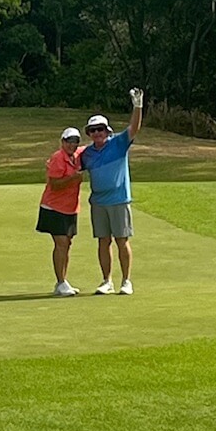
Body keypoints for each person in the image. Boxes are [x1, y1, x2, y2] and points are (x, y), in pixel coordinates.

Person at [80, 88, 143, 295]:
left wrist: (137, 106)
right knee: (103, 241)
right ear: (89, 134)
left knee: (122, 240)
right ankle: (106, 281)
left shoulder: (118, 143)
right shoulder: (87, 154)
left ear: (108, 131)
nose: (97, 133)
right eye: (93, 130)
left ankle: (126, 281)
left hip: (118, 200)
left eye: (100, 129)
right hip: (98, 202)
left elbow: (134, 128)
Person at [36, 127, 85, 296]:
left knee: (67, 244)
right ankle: (61, 282)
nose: (72, 144)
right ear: (62, 142)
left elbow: (95, 147)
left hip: (70, 208)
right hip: (53, 207)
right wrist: (73, 178)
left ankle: (62, 281)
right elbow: (54, 184)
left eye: (75, 141)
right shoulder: (58, 158)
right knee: (61, 243)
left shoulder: (77, 155)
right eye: (69, 141)